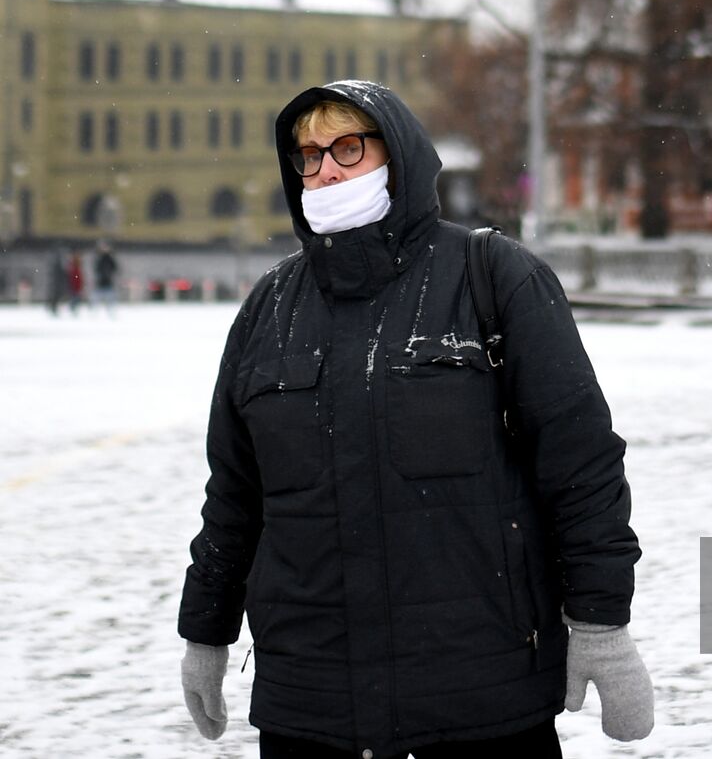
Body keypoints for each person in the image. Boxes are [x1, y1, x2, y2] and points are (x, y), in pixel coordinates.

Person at [178, 80, 653, 757]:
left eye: (347, 147)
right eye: (308, 156)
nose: (326, 169)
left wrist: (602, 624)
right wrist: (206, 629)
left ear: (396, 156)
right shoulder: (269, 308)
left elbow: (580, 466)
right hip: (309, 706)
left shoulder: (494, 278)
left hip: (479, 701)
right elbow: (235, 493)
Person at [93, 241, 119, 315]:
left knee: (111, 300)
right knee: (96, 299)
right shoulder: (99, 258)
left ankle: (111, 312)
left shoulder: (110, 259)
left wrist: (110, 274)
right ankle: (94, 313)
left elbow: (115, 268)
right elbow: (96, 269)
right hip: (100, 283)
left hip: (108, 283)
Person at [66, 249, 85, 314]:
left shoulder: (77, 268)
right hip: (73, 286)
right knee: (73, 299)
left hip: (76, 286)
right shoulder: (72, 268)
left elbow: (79, 278)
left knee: (76, 299)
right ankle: (72, 310)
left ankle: (74, 310)